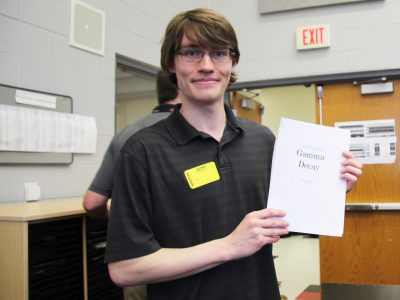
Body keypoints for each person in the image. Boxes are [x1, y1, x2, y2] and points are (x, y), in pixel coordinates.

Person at [105, 8, 363, 300]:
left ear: (232, 61)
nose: (206, 65)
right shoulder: (142, 151)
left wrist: (331, 187)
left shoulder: (261, 140)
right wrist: (229, 245)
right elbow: (125, 268)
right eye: (191, 53)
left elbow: (284, 222)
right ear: (171, 64)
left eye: (218, 53)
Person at [83, 71, 180, 300]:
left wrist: (119, 219)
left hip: (139, 265)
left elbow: (92, 203)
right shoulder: (198, 131)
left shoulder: (126, 133)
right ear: (181, 86)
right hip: (189, 264)